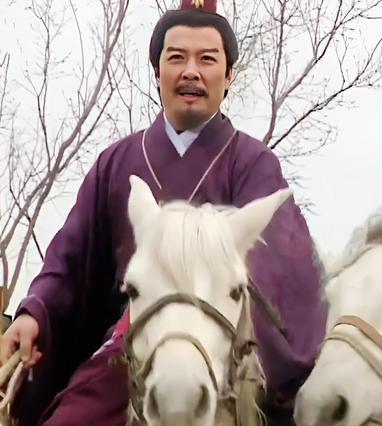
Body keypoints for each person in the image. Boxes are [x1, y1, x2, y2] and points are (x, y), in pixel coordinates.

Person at [0, 1, 327, 424]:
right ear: (157, 72)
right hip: (127, 355)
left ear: (229, 75)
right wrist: (35, 312)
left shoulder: (252, 164)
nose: (191, 71)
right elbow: (70, 259)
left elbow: (283, 272)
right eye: (176, 58)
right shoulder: (116, 163)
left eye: (207, 59)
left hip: (220, 353)